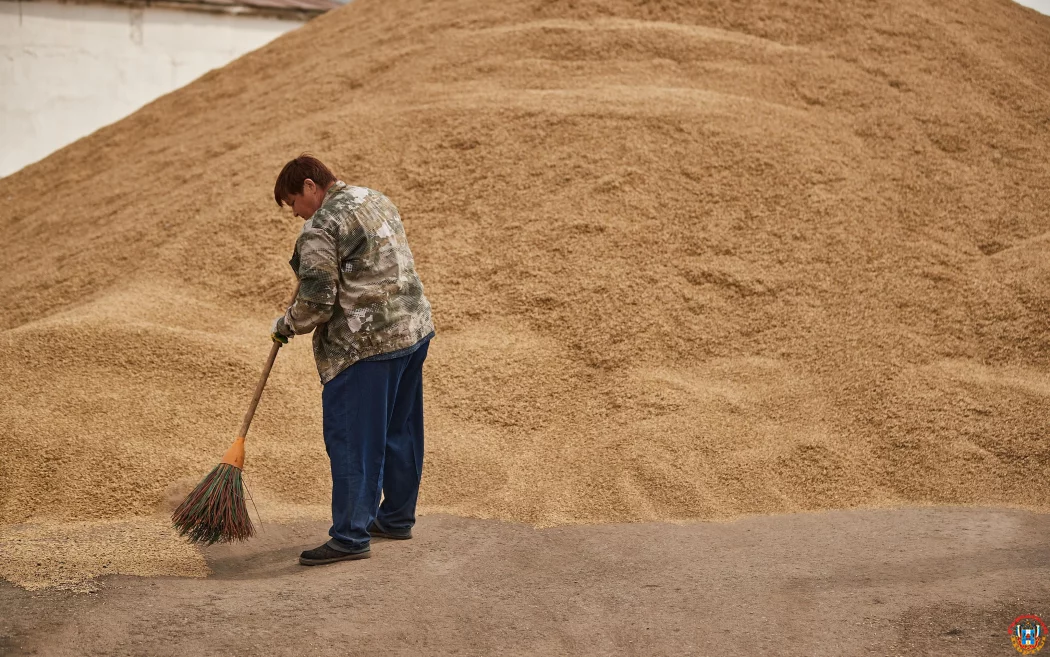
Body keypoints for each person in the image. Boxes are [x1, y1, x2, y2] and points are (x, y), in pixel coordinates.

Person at [270, 154, 435, 566]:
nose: (295, 212)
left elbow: (317, 302)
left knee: (353, 443)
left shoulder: (321, 225)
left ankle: (349, 536)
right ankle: (396, 517)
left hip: (364, 345)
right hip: (412, 329)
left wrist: (286, 325)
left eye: (294, 202)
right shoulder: (373, 198)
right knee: (401, 429)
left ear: (311, 186)